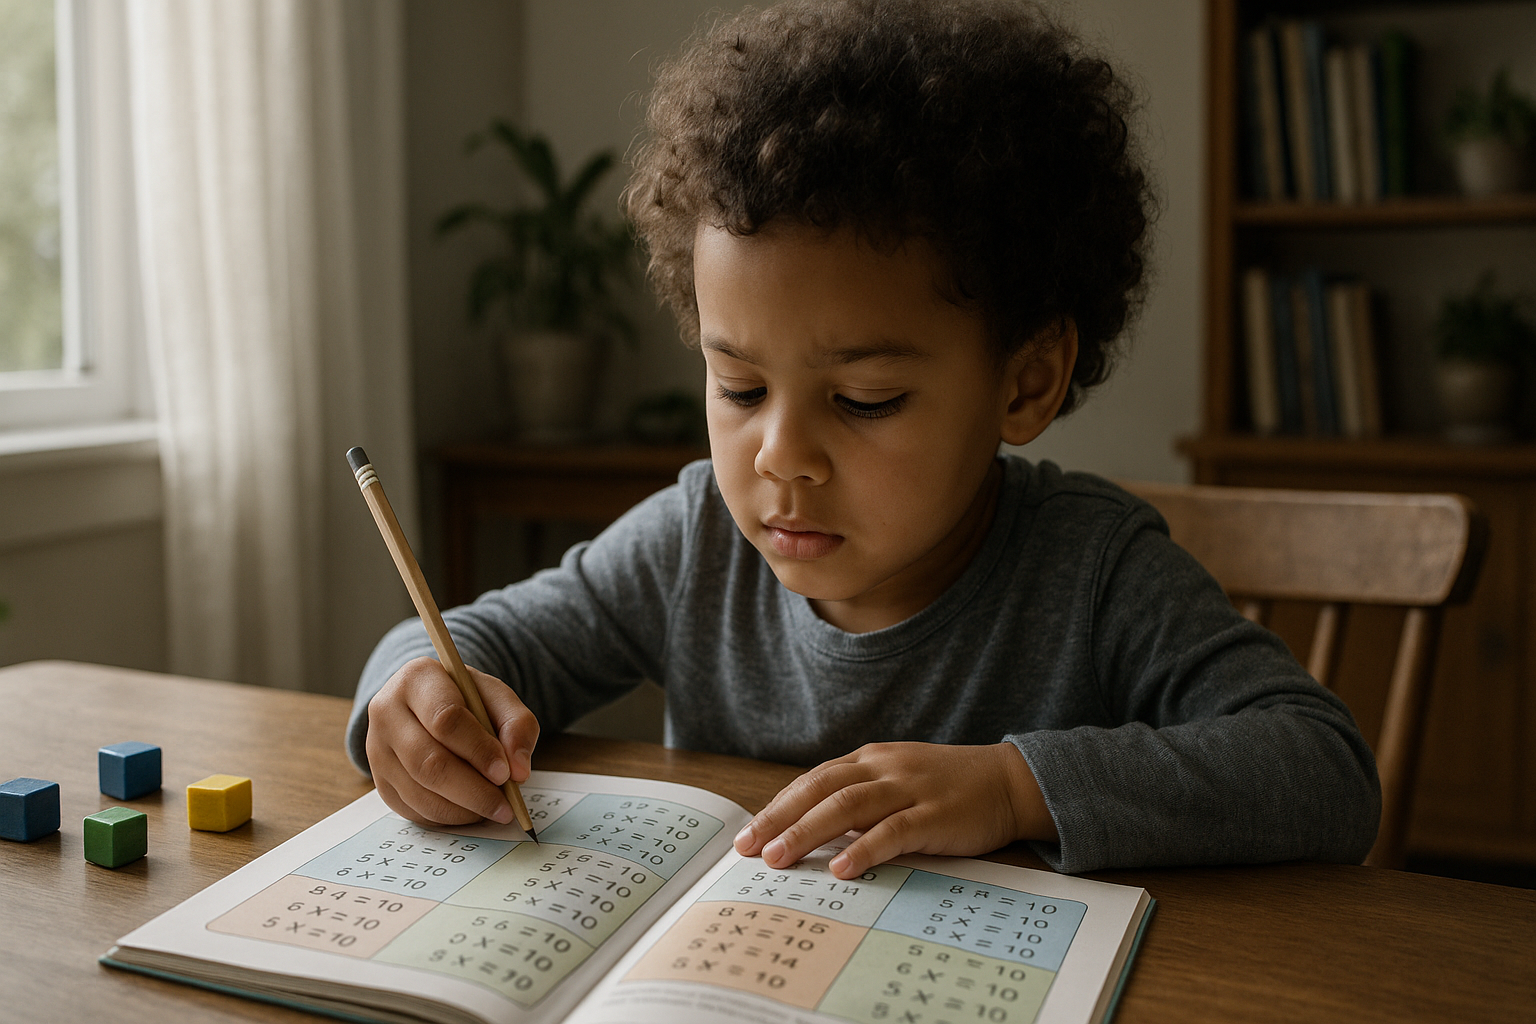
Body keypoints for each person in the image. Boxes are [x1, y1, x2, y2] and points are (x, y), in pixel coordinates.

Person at [349, 0, 1379, 876]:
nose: (778, 455)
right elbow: (470, 639)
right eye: (739, 385)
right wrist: (417, 697)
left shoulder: (1093, 573)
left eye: (868, 398)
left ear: (1026, 381)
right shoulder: (692, 541)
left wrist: (1017, 788)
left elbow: (1321, 769)